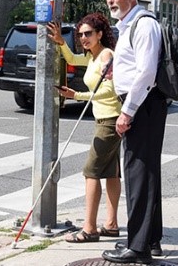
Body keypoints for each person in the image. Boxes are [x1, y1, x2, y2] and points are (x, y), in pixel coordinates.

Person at [101, 0, 167, 265]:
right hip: (141, 103)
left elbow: (147, 73)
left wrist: (127, 112)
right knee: (146, 174)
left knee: (138, 174)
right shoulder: (130, 25)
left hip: (142, 105)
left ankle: (138, 247)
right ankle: (148, 240)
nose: (112, 1)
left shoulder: (144, 24)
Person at [46, 13, 122, 243]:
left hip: (110, 120)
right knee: (110, 173)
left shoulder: (107, 55)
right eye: (81, 35)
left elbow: (111, 90)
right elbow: (71, 59)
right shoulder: (93, 56)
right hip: (106, 118)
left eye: (88, 34)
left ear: (100, 34)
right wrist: (61, 41)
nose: (84, 38)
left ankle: (89, 229)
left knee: (90, 172)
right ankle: (111, 224)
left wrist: (77, 95)